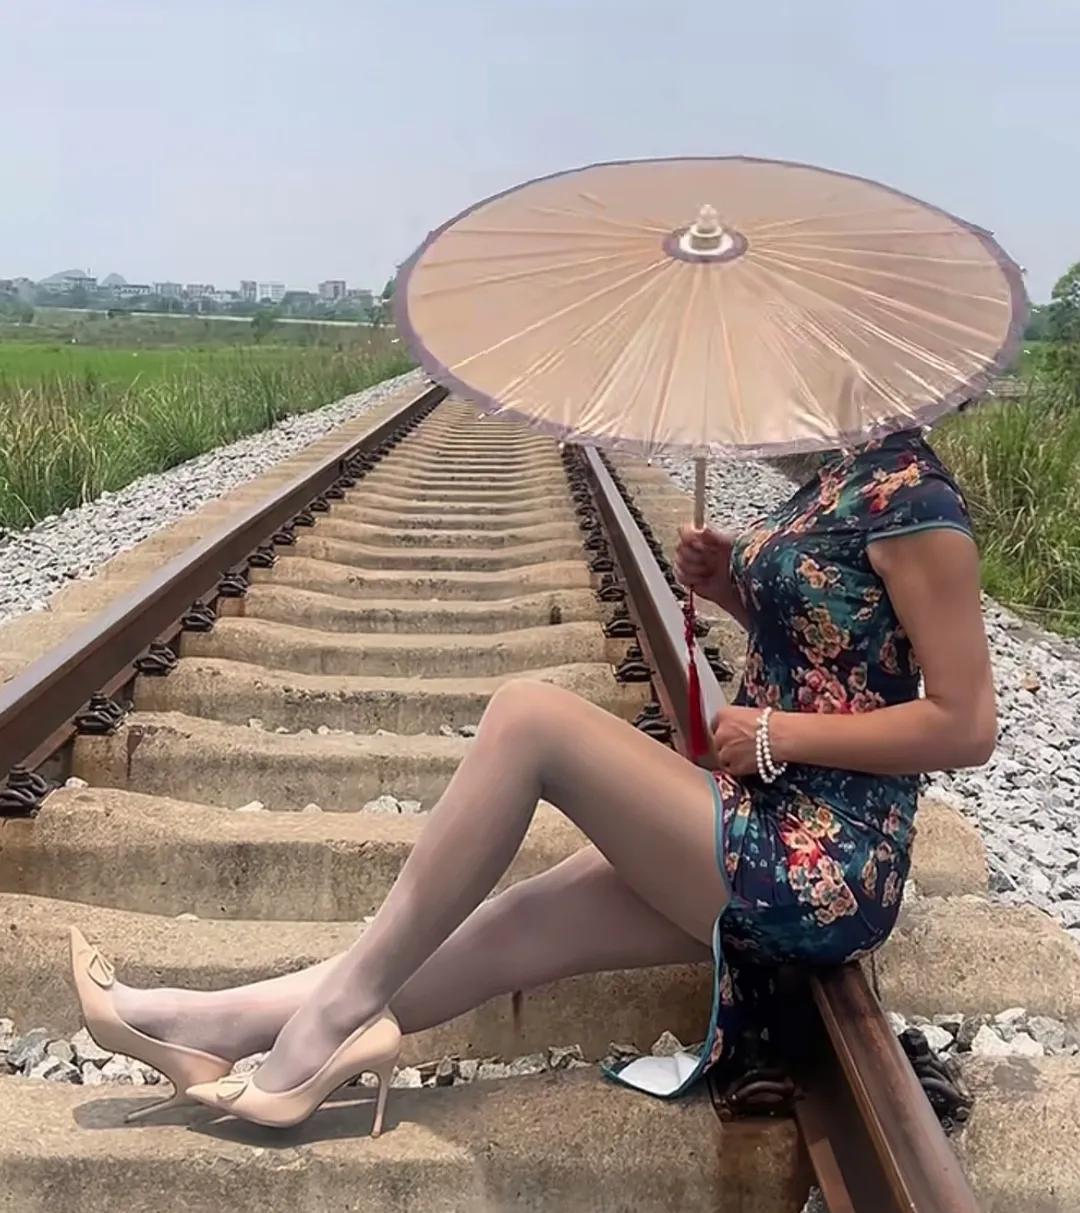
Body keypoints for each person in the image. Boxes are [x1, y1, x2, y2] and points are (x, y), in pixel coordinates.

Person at [69, 425, 996, 1131]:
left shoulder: (919, 501)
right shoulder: (847, 473)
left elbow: (966, 724)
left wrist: (771, 731)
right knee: (506, 929)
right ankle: (211, 1025)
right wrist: (728, 587)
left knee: (530, 717)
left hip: (823, 861)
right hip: (759, 815)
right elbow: (841, 648)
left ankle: (329, 1027)